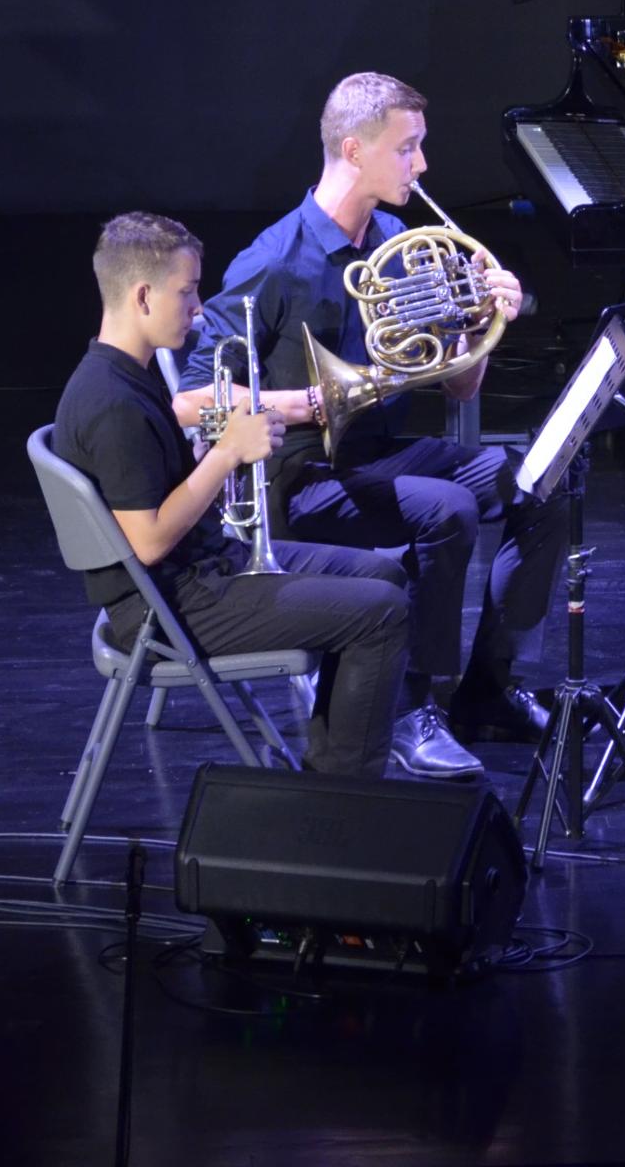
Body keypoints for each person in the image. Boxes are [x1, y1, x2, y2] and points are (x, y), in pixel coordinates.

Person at [174, 73, 567, 779]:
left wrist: (483, 321)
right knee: (446, 510)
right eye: (407, 148)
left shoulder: (398, 240)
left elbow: (459, 383)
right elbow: (192, 398)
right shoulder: (274, 260)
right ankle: (411, 709)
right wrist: (305, 404)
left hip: (377, 453)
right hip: (298, 476)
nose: (422, 165)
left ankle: (487, 689)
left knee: (544, 481)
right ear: (354, 150)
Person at [51, 212, 411, 778]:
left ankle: (332, 768)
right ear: (142, 296)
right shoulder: (113, 404)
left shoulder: (127, 376)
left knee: (384, 576)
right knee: (382, 614)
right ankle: (343, 794)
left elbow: (162, 493)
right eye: (187, 292)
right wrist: (225, 454)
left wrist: (213, 453)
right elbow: (147, 542)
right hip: (171, 608)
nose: (198, 309)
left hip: (204, 569)